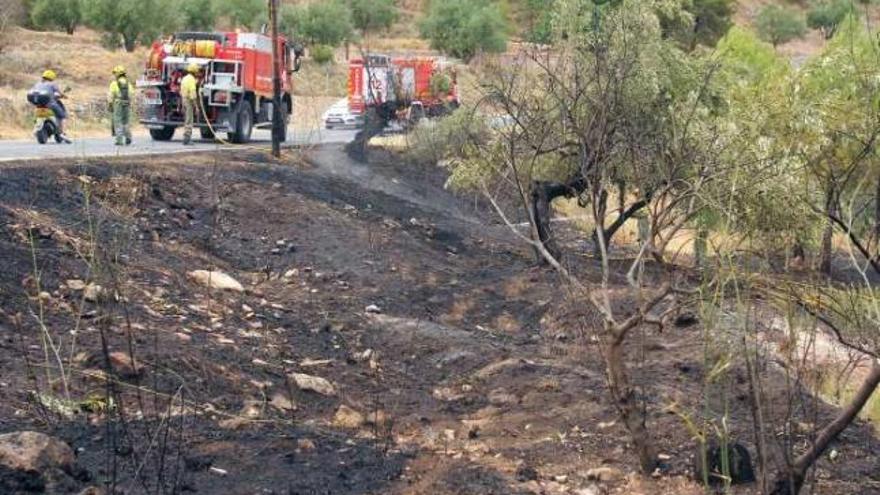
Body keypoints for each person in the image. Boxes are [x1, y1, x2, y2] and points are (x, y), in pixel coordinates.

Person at [32, 70, 71, 143]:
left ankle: (35, 128)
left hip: (38, 104)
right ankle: (63, 133)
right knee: (63, 116)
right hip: (50, 104)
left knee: (37, 116)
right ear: (52, 77)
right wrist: (64, 96)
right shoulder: (52, 84)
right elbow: (59, 93)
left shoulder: (37, 84)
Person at [108, 65, 135, 146]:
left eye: (115, 73)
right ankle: (128, 137)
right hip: (127, 103)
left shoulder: (114, 83)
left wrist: (110, 104)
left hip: (118, 103)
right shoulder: (128, 83)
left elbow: (110, 95)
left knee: (118, 122)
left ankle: (119, 140)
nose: (114, 75)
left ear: (117, 74)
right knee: (126, 122)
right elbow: (131, 94)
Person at [180, 64, 200, 145]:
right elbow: (193, 95)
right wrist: (196, 107)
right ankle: (187, 139)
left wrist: (181, 105)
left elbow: (181, 91)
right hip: (189, 101)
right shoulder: (191, 80)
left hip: (184, 100)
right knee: (189, 120)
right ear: (195, 72)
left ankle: (186, 138)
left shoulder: (184, 78)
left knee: (186, 119)